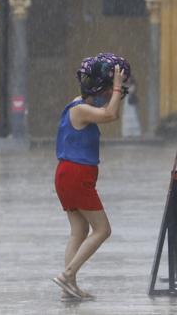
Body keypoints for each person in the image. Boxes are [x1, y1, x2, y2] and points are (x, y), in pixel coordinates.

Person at [52, 53, 130, 301]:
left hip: (67, 175)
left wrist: (113, 86)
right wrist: (117, 86)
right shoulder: (81, 110)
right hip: (76, 175)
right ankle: (68, 274)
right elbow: (110, 115)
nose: (111, 94)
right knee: (102, 229)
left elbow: (106, 110)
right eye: (107, 89)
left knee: (79, 229)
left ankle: (69, 288)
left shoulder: (78, 104)